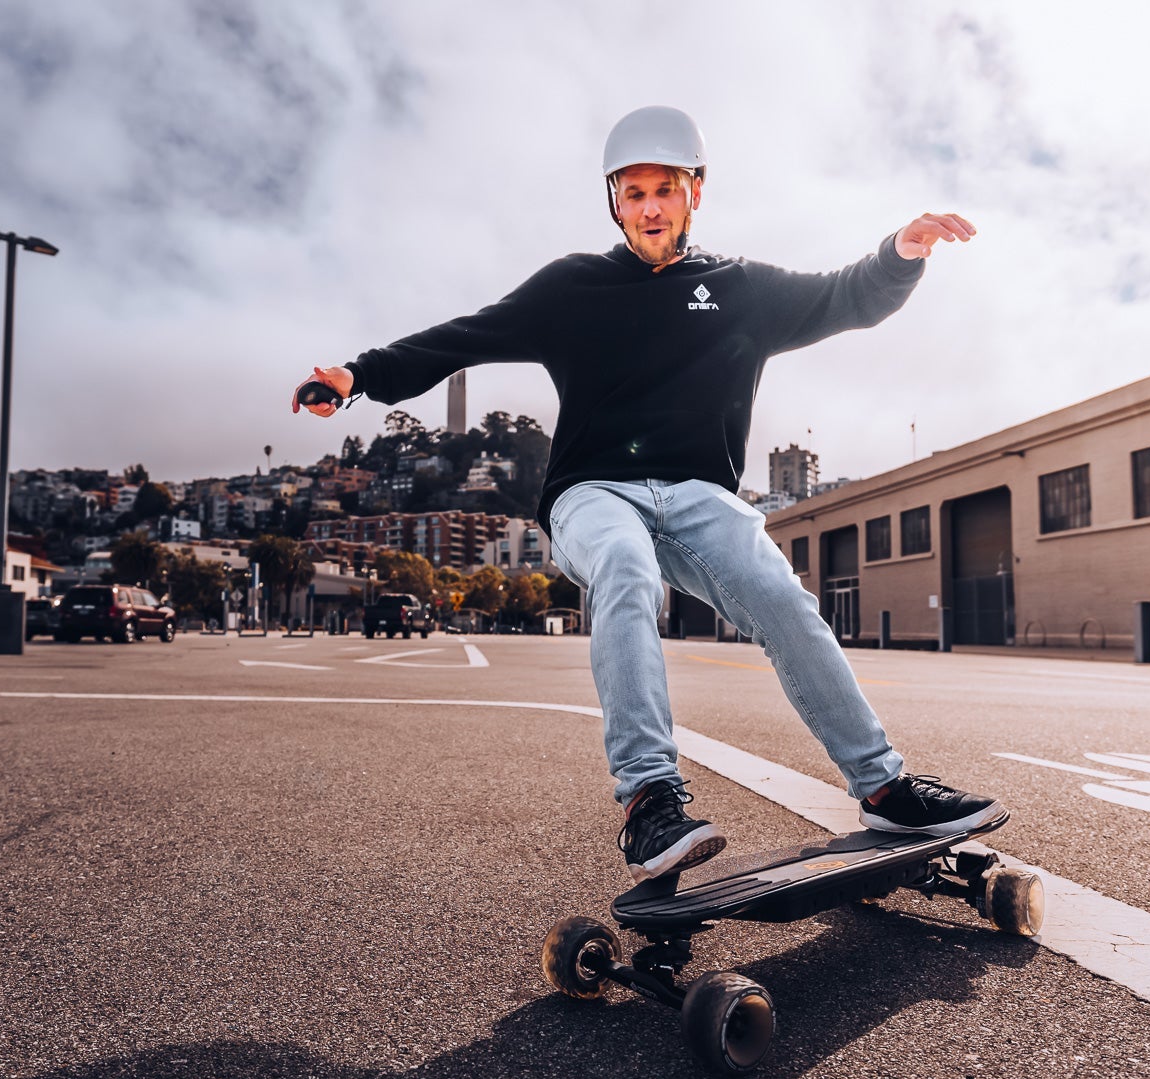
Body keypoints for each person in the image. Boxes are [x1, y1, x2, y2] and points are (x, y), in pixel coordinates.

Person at [296, 106, 1001, 881]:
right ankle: (649, 800)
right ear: (614, 202)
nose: (650, 208)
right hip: (593, 492)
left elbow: (844, 296)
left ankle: (883, 786)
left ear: (695, 192)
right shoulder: (573, 286)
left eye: (665, 189)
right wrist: (360, 375)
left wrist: (902, 251)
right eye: (632, 194)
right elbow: (467, 334)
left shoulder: (741, 288)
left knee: (782, 597)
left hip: (700, 495)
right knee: (626, 569)